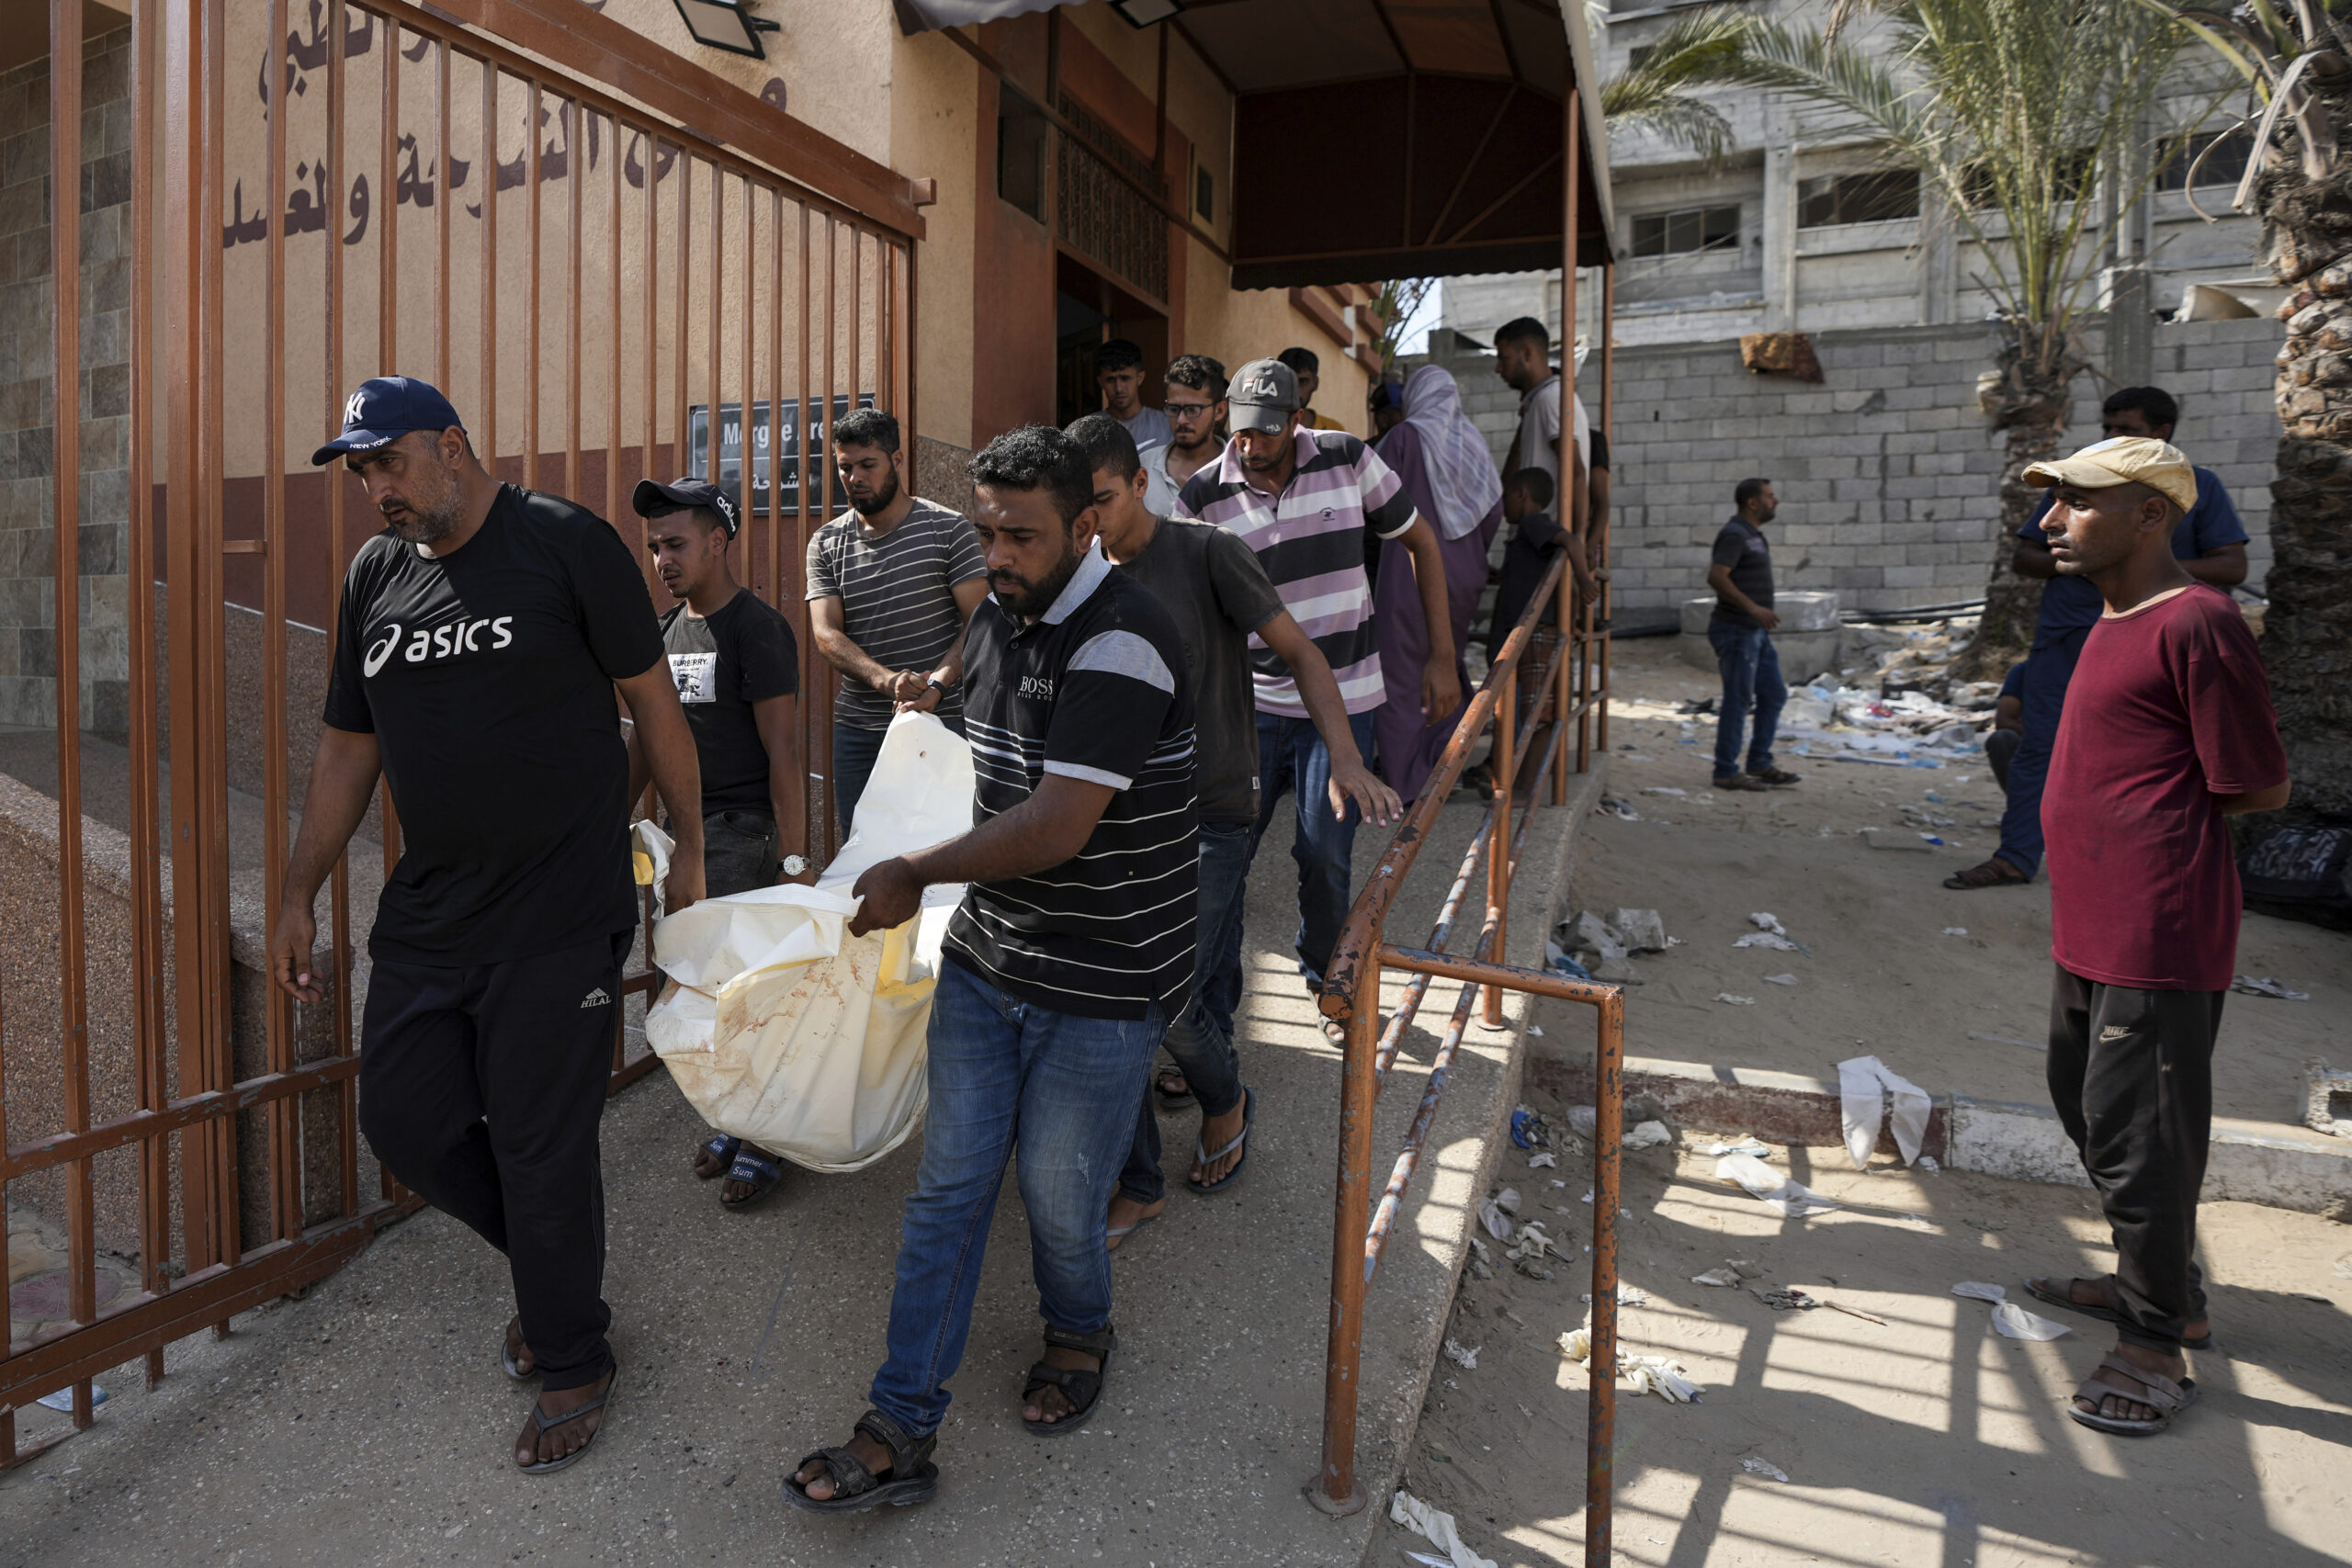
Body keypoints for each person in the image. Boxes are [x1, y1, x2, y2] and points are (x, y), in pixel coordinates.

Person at [269, 377, 706, 1474]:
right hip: (432, 911)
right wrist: (295, 894)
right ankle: (554, 1265)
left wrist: (691, 848)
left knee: (537, 1138)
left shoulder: (562, 542)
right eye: (360, 470)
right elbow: (345, 752)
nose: (375, 488)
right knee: (406, 1123)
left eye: (388, 462)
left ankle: (573, 1354)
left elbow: (653, 703)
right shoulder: (374, 576)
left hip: (561, 907)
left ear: (452, 447)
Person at [785, 426, 1197, 1514]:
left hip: (1106, 977)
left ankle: (1078, 1332)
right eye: (986, 533)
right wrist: (928, 700)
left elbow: (1058, 824)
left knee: (1061, 1201)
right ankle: (900, 1424)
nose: (1000, 556)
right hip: (989, 957)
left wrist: (913, 868)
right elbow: (977, 730)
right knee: (948, 1194)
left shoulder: (1124, 641)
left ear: (1088, 526)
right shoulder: (1000, 622)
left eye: (1024, 536)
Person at [1064, 413, 1400, 1248]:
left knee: (1166, 996)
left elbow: (1304, 653)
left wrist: (1346, 757)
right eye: (1078, 506)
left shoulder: (1206, 551)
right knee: (1125, 995)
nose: (1089, 521)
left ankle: (1225, 1097)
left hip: (1210, 807)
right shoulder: (1076, 571)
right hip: (1111, 810)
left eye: (1101, 500)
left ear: (1142, 484)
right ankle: (1136, 1175)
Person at [2009, 435, 2288, 1437]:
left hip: (2157, 927)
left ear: (2151, 514)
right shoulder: (2109, 616)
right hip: (2089, 924)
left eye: (2078, 503)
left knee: (2144, 1141)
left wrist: (2150, 840)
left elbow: (2257, 782)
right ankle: (2164, 1282)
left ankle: (2151, 1341)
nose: (2052, 521)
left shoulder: (2201, 623)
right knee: (2085, 1107)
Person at [1174, 357, 1462, 1015]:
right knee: (1221, 865)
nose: (1250, 446)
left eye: (1267, 432)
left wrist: (1441, 655)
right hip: (1245, 709)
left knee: (1324, 857)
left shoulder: (1348, 459)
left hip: (1343, 700)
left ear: (1296, 420)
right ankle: (1210, 1017)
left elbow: (1422, 542)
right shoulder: (1199, 497)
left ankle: (1326, 982)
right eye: (1241, 431)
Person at [1944, 386, 2250, 890]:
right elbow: (2028, 555)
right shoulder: (2078, 479)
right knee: (2042, 749)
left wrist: (2142, 569)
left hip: (2148, 642)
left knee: (2144, 758)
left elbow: (2231, 565)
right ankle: (2018, 855)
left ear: (2160, 433)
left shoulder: (2194, 493)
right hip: (2068, 638)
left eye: (2123, 428)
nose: (2109, 436)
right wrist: (2089, 566)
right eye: (2106, 427)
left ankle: (2134, 866)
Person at [628, 477, 804, 1210]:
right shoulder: (666, 633)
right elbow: (645, 741)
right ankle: (737, 1122)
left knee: (739, 992)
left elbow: (786, 754)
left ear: (717, 541)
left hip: (740, 832)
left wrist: (796, 864)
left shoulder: (755, 629)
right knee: (708, 992)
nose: (663, 559)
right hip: (685, 837)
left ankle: (767, 1141)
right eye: (655, 548)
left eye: (675, 544)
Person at [806, 408, 989, 833]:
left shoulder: (949, 530)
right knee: (863, 858)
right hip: (861, 732)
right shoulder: (827, 542)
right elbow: (825, 632)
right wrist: (887, 681)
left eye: (868, 464)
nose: (855, 478)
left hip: (945, 721)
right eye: (845, 467)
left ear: (898, 460)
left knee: (949, 849)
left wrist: (938, 685)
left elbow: (981, 621)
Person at [1371, 365, 1505, 800]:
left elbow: (1372, 499)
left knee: (1400, 672)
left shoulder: (1406, 437)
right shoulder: (1474, 443)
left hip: (1408, 571)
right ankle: (1437, 763)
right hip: (1465, 574)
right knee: (1446, 662)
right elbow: (1494, 512)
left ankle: (1403, 779)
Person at [1706, 478, 1801, 794]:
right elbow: (1717, 577)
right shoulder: (1734, 534)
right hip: (1736, 630)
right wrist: (1752, 608)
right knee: (1739, 698)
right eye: (1771, 497)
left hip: (1754, 633)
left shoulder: (1752, 535)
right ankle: (1725, 771)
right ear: (1752, 502)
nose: (1776, 502)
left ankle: (1759, 762)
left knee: (1773, 694)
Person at [1493, 317, 1589, 523]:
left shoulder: (1552, 397)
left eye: (1504, 358)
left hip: (1546, 543)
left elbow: (1575, 471)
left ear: (1527, 353)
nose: (1498, 369)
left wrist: (1576, 539)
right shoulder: (1538, 400)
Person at [1138, 353, 1228, 515]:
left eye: (1193, 410)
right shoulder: (1144, 466)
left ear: (1219, 411)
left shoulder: (1239, 469)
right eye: (1173, 409)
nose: (1181, 420)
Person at [1095, 337, 1172, 451]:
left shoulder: (1167, 426)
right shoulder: (1089, 430)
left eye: (1125, 378)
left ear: (1140, 378)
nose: (1119, 388)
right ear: (1100, 382)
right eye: (1110, 380)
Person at [1277, 346, 1343, 431]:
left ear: (1315, 384)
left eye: (1303, 382)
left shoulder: (1333, 430)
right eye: (1288, 381)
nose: (1295, 390)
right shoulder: (1262, 424)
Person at [1984, 662, 2026, 794]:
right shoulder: (2024, 671)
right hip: (2034, 738)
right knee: (2001, 739)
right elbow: (2004, 720)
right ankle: (2017, 799)